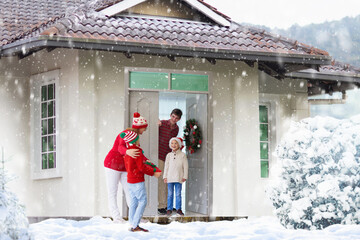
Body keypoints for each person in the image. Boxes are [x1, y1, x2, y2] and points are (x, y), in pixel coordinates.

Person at [103, 112, 147, 223]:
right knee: (112, 191)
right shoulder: (126, 133)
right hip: (111, 165)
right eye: (144, 128)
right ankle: (116, 217)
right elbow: (120, 147)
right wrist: (127, 151)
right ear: (139, 127)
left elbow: (138, 154)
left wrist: (147, 161)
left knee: (130, 191)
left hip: (124, 168)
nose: (144, 131)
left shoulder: (136, 139)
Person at [122, 130, 162, 232]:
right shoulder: (137, 151)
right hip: (137, 180)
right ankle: (135, 225)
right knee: (142, 201)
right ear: (135, 140)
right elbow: (141, 167)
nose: (139, 139)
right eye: (137, 138)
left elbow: (134, 164)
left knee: (134, 201)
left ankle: (131, 222)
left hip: (130, 180)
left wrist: (145, 161)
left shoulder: (128, 151)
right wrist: (153, 172)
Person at [157, 108, 183, 215]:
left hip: (169, 157)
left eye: (176, 118)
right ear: (170, 115)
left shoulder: (176, 129)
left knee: (169, 180)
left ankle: (168, 205)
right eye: (173, 116)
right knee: (161, 181)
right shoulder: (162, 124)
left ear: (179, 119)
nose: (174, 119)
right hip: (159, 155)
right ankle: (161, 205)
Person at [163, 137, 188, 216]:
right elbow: (166, 166)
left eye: (175, 143)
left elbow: (185, 166)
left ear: (179, 145)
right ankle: (169, 209)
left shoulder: (182, 155)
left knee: (178, 194)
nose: (174, 145)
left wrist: (185, 176)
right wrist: (165, 176)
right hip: (170, 177)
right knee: (170, 194)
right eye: (172, 143)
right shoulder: (169, 155)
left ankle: (178, 209)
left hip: (178, 177)